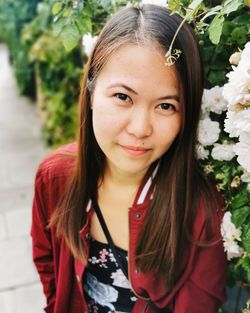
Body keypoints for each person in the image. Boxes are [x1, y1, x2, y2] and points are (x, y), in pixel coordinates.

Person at [31, 3, 227, 313]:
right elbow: (48, 264)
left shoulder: (201, 211)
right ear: (92, 92)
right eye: (123, 97)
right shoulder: (55, 176)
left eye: (165, 106)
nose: (139, 129)